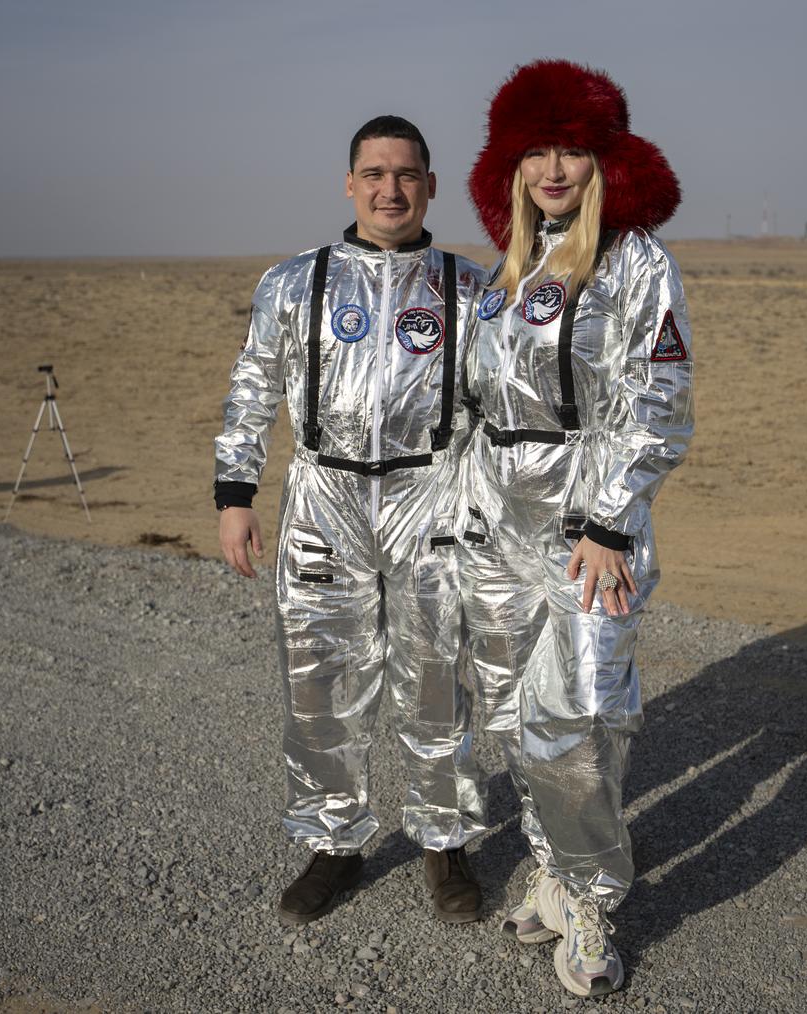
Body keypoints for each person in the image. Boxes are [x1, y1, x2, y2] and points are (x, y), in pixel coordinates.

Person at [214, 115, 487, 927]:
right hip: (323, 501)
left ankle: (444, 841)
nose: (389, 189)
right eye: (374, 173)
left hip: (432, 498)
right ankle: (334, 842)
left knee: (436, 683)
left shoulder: (471, 291)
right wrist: (235, 495)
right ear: (348, 184)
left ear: (430, 185)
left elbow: (501, 409)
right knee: (319, 686)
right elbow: (253, 387)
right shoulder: (294, 284)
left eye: (405, 175)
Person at [459, 61, 693, 997]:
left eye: (571, 150)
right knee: (517, 715)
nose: (553, 169)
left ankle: (592, 897)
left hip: (589, 525)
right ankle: (552, 865)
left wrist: (608, 521)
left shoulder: (636, 260)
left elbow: (660, 398)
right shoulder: (504, 273)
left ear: (604, 160)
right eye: (536, 151)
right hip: (498, 529)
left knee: (582, 719)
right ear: (511, 167)